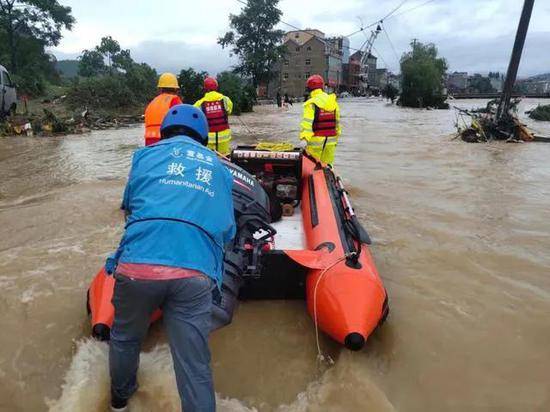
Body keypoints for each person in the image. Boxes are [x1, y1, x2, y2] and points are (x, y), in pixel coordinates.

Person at [106, 104, 236, 412]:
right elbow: (228, 229)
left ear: (163, 130)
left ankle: (119, 402)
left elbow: (128, 207)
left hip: (136, 268)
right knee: (193, 363)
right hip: (193, 275)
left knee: (124, 337)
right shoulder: (219, 168)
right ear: (204, 136)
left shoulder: (143, 157)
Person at [300, 74, 341, 165]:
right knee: (328, 167)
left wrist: (304, 139)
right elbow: (337, 124)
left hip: (316, 141)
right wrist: (336, 138)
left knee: (312, 166)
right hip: (331, 141)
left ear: (309, 89)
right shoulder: (333, 102)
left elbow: (307, 124)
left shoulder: (311, 103)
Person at [194, 77, 233, 155]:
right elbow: (229, 111)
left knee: (209, 161)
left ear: (205, 89)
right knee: (224, 160)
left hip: (208, 140)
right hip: (224, 139)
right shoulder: (225, 100)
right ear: (216, 87)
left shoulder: (199, 103)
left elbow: (194, 118)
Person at [144, 72, 182, 146]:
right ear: (175, 89)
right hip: (165, 142)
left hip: (149, 143)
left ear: (160, 89)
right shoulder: (175, 100)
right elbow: (183, 123)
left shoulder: (152, 102)